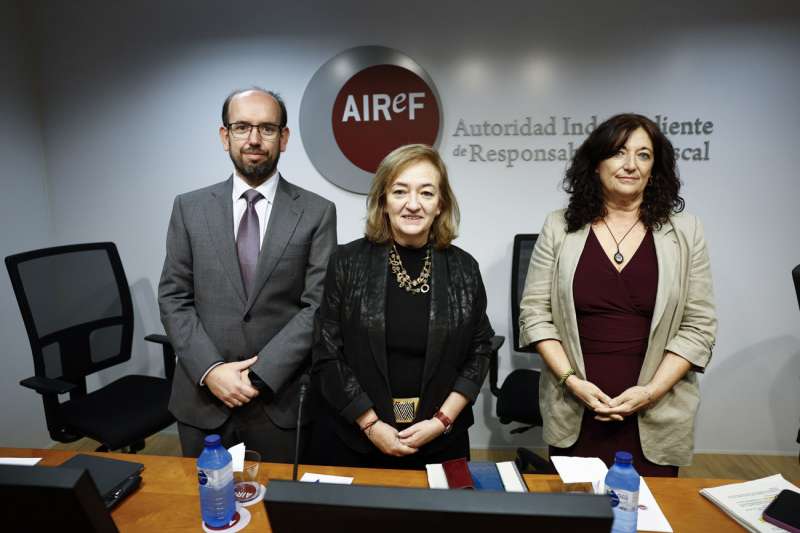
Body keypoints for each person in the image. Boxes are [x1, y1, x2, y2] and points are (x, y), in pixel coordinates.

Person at [518, 113, 716, 476]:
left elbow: (699, 327)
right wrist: (572, 383)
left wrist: (650, 393)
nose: (630, 165)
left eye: (643, 155)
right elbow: (534, 314)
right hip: (576, 404)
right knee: (576, 516)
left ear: (655, 169)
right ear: (596, 164)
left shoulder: (686, 231)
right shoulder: (559, 226)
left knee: (648, 520)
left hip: (655, 408)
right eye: (619, 153)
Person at [158, 87, 337, 462]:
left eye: (267, 128)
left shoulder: (318, 212)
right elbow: (174, 297)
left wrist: (258, 376)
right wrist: (212, 370)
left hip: (279, 399)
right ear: (225, 136)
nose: (254, 139)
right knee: (203, 508)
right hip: (202, 396)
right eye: (242, 127)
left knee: (278, 514)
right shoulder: (189, 208)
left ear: (284, 138)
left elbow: (316, 305)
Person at [310, 144, 494, 468]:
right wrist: (370, 424)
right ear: (383, 201)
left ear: (441, 204)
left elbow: (479, 351)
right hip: (356, 441)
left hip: (441, 442)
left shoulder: (465, 269)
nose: (413, 205)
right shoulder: (347, 262)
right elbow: (326, 352)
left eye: (426, 193)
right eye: (399, 191)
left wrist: (441, 421)